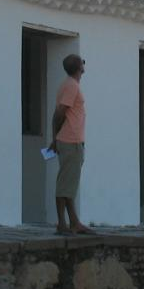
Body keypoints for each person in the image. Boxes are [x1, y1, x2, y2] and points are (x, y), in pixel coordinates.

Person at [48, 53, 94, 235]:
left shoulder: (69, 85)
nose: (84, 65)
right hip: (71, 140)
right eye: (82, 62)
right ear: (79, 67)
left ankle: (73, 221)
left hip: (70, 139)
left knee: (68, 183)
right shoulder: (72, 86)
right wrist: (56, 137)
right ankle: (63, 223)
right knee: (65, 183)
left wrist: (55, 138)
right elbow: (60, 113)